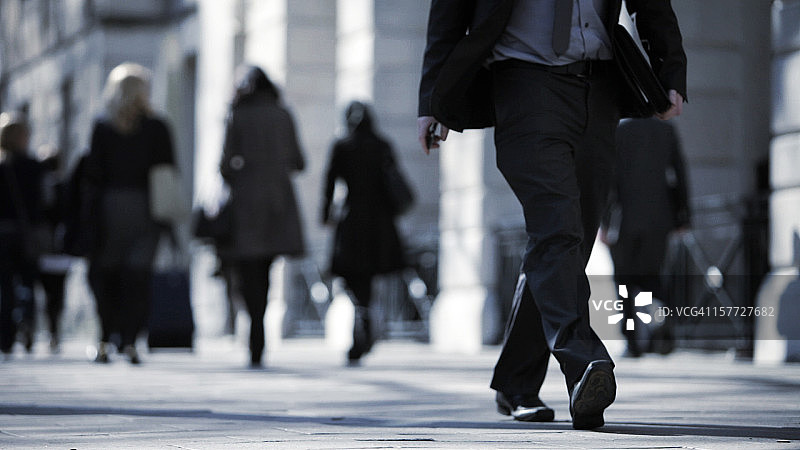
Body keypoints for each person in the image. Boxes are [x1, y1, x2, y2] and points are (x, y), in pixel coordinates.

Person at [417, 0, 687, 430]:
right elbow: (449, 10)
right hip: (522, 84)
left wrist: (669, 69)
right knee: (557, 229)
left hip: (600, 89)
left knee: (567, 241)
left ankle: (516, 382)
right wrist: (433, 98)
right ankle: (584, 364)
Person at [84, 63, 178, 364]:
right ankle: (130, 341)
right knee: (138, 277)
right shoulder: (157, 126)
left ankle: (103, 338)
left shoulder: (102, 126)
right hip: (146, 208)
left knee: (106, 275)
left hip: (109, 208)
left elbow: (93, 173)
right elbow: (168, 171)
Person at [220, 65, 306, 368]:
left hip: (246, 203)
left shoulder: (238, 115)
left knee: (247, 272)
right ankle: (259, 332)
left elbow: (224, 165)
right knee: (266, 270)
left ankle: (254, 330)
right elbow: (299, 161)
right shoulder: (283, 114)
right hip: (277, 203)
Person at [321, 101, 407, 366]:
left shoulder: (342, 145)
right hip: (379, 221)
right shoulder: (382, 145)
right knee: (367, 277)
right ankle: (364, 319)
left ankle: (362, 320)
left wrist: (326, 214)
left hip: (353, 219)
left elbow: (329, 182)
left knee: (352, 277)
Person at [600, 117, 691, 357]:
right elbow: (679, 172)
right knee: (652, 279)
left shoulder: (618, 131)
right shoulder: (666, 130)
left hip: (623, 221)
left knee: (624, 284)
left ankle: (632, 342)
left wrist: (603, 222)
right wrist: (684, 216)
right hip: (659, 219)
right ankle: (660, 322)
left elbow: (608, 178)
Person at [0, 112, 44, 357]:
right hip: (26, 231)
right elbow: (41, 202)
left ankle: (5, 336)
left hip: (3, 233)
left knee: (4, 286)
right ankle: (27, 323)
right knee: (28, 282)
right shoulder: (33, 166)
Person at [36, 144, 75, 354]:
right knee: (57, 293)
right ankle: (54, 331)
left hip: (43, 246)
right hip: (60, 248)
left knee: (45, 291)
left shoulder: (38, 187)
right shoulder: (64, 185)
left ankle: (49, 329)